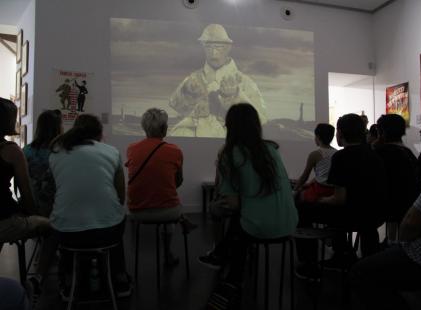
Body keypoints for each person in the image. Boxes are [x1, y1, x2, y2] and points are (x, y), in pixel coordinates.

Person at [350, 79, 421, 310]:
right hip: (409, 213)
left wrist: (404, 238)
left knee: (363, 273)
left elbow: (413, 222)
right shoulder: (408, 153)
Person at [200, 103, 298, 309]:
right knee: (243, 213)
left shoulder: (230, 153)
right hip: (289, 224)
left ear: (229, 126)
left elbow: (230, 202)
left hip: (258, 227)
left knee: (220, 210)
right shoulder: (272, 149)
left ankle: (224, 259)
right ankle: (228, 262)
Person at [48, 114, 131, 298]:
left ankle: (69, 281)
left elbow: (58, 192)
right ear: (99, 133)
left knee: (68, 221)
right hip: (108, 233)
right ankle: (119, 278)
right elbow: (121, 196)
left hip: (67, 234)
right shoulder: (112, 151)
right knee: (117, 216)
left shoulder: (56, 152)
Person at [295, 114, 387, 278]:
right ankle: (346, 254)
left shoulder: (342, 156)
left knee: (302, 208)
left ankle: (309, 264)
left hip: (350, 215)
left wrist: (318, 199)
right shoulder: (375, 155)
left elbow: (338, 199)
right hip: (374, 216)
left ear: (340, 133)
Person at [125, 108, 196, 267]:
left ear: (144, 128)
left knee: (165, 200)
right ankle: (167, 254)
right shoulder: (175, 151)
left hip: (136, 211)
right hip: (168, 211)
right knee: (169, 206)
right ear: (164, 129)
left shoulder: (131, 148)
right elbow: (178, 182)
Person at [169, 24, 267, 137]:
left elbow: (260, 119)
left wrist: (235, 97)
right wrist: (187, 93)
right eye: (208, 47)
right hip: (196, 143)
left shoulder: (245, 82)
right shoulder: (194, 78)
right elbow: (176, 105)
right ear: (203, 47)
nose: (213, 53)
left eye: (218, 47)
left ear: (228, 47)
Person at [22, 110, 63, 304]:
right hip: (57, 211)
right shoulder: (61, 152)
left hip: (31, 210)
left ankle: (44, 257)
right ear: (58, 128)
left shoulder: (26, 151)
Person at [0, 97, 50, 244]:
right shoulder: (11, 150)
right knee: (53, 227)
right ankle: (42, 267)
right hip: (4, 219)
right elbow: (26, 192)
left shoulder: (23, 150)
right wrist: (34, 215)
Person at [374, 114, 419, 224]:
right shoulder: (408, 152)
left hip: (388, 206)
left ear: (381, 132)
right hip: (409, 205)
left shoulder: (380, 153)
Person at [294, 123, 336, 203]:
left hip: (321, 189)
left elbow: (304, 176)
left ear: (318, 137)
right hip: (334, 190)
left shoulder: (315, 154)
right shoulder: (337, 153)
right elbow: (325, 174)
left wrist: (294, 190)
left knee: (300, 195)